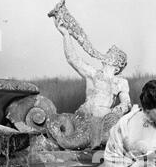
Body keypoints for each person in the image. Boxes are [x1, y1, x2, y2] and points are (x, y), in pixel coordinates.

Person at [47, 17, 131, 150]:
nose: (106, 55)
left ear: (116, 66)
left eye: (111, 55)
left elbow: (126, 103)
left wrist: (116, 111)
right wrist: (66, 35)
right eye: (108, 53)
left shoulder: (121, 82)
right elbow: (73, 59)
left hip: (106, 120)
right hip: (86, 117)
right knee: (73, 142)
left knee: (117, 137)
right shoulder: (93, 74)